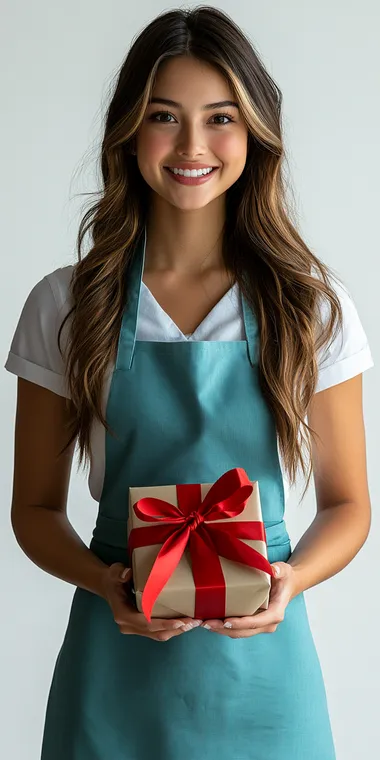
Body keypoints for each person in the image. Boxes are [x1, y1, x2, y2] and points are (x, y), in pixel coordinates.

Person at [5, 6, 374, 760]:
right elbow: (34, 510)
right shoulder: (66, 303)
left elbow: (348, 505)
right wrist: (107, 584)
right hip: (114, 666)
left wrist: (289, 579)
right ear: (128, 131)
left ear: (257, 133)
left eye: (222, 118)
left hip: (265, 675)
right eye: (165, 117)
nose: (193, 146)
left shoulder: (311, 306)